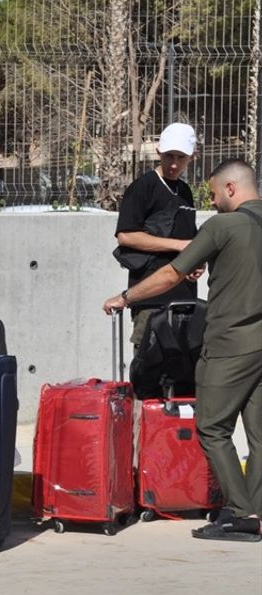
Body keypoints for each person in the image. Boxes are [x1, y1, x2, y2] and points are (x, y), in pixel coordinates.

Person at [103, 159, 262, 543]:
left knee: (211, 426)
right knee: (259, 435)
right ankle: (255, 509)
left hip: (230, 343)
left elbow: (172, 274)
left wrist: (127, 296)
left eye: (212, 194)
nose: (212, 201)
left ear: (230, 189)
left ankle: (241, 514)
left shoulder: (224, 226)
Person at [113, 122, 203, 349]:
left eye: (181, 157)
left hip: (185, 299)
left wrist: (196, 263)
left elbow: (188, 240)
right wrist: (180, 246)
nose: (174, 164)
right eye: (169, 155)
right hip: (151, 301)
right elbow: (126, 236)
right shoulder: (143, 187)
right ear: (158, 152)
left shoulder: (184, 191)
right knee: (149, 371)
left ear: (193, 156)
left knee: (183, 375)